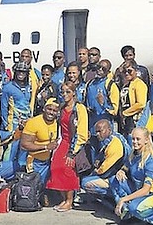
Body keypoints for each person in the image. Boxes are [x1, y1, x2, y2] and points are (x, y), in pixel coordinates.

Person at [110, 126, 153, 225]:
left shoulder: (151, 160)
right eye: (133, 139)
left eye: (138, 139)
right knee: (114, 180)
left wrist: (123, 199)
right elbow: (126, 165)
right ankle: (128, 213)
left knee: (134, 207)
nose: (135, 142)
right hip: (138, 189)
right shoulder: (134, 154)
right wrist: (121, 171)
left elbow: (146, 190)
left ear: (146, 140)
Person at [46, 81, 89, 212]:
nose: (65, 94)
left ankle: (69, 200)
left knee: (67, 168)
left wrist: (73, 152)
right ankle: (63, 198)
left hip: (74, 143)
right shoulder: (62, 108)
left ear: (73, 93)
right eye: (63, 92)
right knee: (55, 168)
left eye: (68, 92)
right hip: (63, 141)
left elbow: (82, 132)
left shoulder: (79, 108)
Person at [0, 61, 36, 173]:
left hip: (28, 123)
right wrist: (6, 125)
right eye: (19, 71)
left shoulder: (29, 86)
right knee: (11, 149)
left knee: (25, 148)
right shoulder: (8, 87)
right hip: (14, 124)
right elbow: (4, 107)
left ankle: (21, 172)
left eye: (24, 72)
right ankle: (6, 172)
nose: (21, 74)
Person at [81, 119, 128, 198]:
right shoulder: (110, 139)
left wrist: (96, 171)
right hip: (114, 174)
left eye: (100, 131)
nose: (97, 134)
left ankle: (117, 196)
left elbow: (104, 171)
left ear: (109, 130)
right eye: (96, 132)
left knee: (85, 183)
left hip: (120, 178)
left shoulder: (115, 144)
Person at [20, 98, 60, 183]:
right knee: (34, 188)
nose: (51, 113)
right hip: (35, 161)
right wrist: (45, 147)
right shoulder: (33, 122)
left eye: (54, 110)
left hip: (50, 162)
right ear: (44, 109)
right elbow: (24, 144)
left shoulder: (58, 123)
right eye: (49, 109)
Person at [85, 59, 119, 133]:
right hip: (92, 125)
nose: (100, 70)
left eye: (103, 69)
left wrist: (103, 104)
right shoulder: (90, 83)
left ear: (108, 72)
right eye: (98, 67)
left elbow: (115, 110)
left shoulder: (111, 85)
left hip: (105, 125)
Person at [118, 60, 149, 137]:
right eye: (124, 71)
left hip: (135, 120)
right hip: (126, 121)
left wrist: (125, 113)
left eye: (129, 71)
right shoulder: (126, 84)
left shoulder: (139, 84)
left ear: (136, 70)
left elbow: (141, 104)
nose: (126, 73)